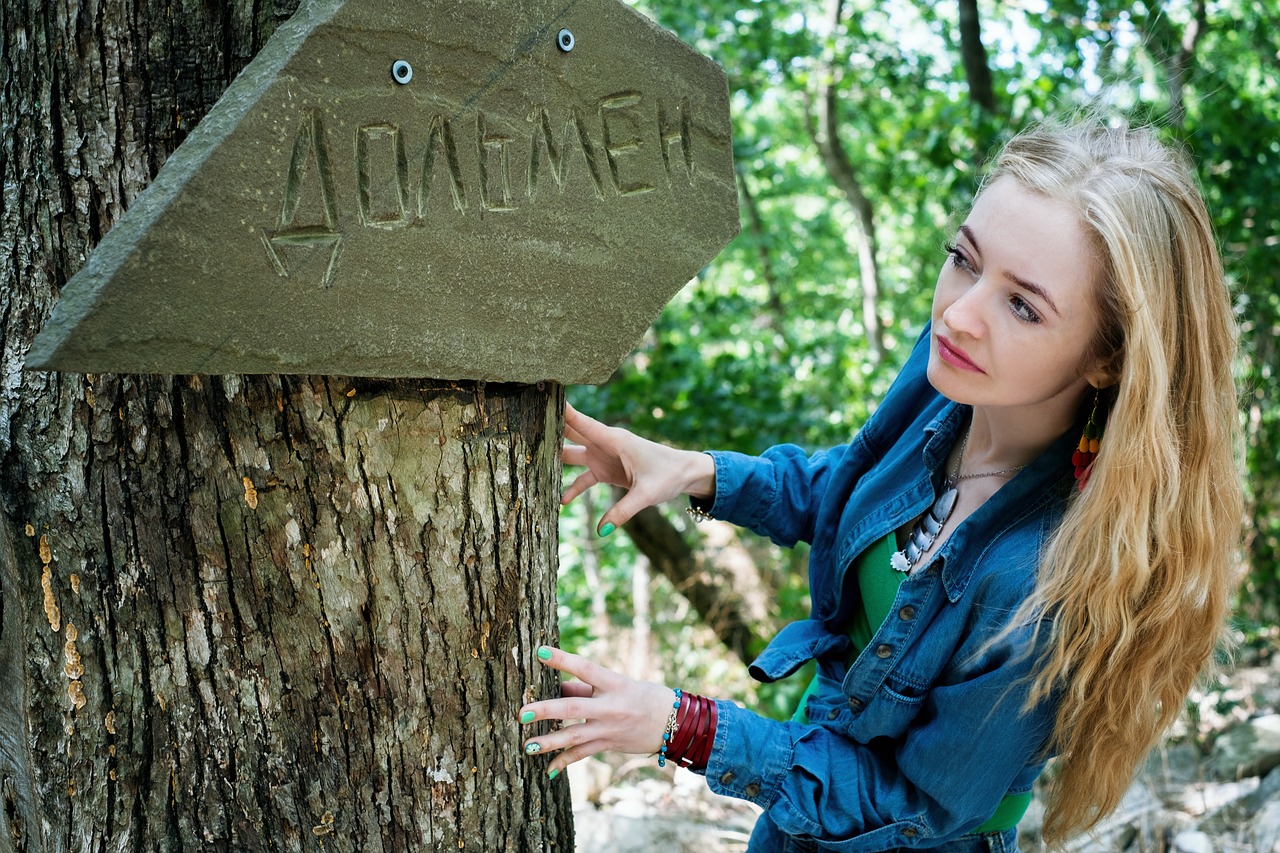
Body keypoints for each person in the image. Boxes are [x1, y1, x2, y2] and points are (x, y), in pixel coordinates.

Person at [517, 118, 1243, 851]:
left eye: (1022, 305)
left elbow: (913, 807)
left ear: (1109, 358)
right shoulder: (950, 380)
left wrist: (684, 725)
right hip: (803, 805)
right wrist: (697, 472)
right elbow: (855, 487)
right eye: (964, 259)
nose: (958, 314)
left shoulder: (1047, 583)